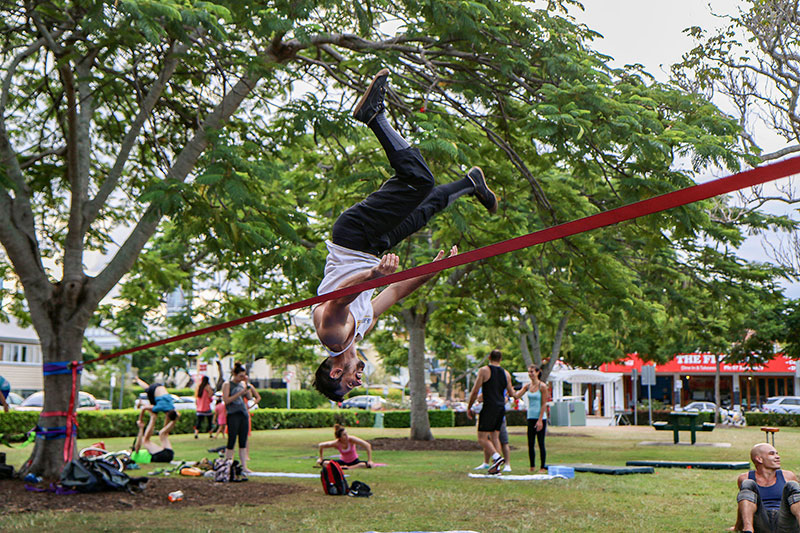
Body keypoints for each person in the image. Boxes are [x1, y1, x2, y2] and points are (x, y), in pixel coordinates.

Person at [312, 68, 497, 402]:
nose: (358, 380)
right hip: (372, 246)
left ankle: (373, 117)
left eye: (350, 384)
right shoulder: (358, 333)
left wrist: (371, 275)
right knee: (427, 206)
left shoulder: (333, 335)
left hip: (354, 237)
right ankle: (470, 184)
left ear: (336, 371)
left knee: (418, 182)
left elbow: (338, 299)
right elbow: (395, 291)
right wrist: (431, 271)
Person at [467, 349, 516, 474]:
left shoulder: (484, 371)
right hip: (501, 408)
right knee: (495, 437)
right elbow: (512, 393)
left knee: (482, 438)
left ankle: (497, 458)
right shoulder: (506, 374)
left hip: (489, 407)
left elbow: (475, 390)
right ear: (501, 359)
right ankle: (496, 468)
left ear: (489, 357)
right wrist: (524, 390)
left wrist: (469, 406)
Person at [733, 443, 800, 533]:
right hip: (761, 523)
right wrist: (737, 527)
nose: (777, 457)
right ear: (759, 459)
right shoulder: (745, 477)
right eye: (772, 454)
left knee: (792, 485)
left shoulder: (788, 476)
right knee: (748, 483)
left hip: (785, 522)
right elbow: (743, 505)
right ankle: (748, 529)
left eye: (777, 453)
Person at [514, 364, 549, 473]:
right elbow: (517, 395)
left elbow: (544, 404)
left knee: (541, 443)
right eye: (529, 372)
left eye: (532, 372)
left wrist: (540, 420)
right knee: (530, 443)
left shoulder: (542, 386)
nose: (530, 374)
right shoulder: (527, 386)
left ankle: (542, 466)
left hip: (540, 417)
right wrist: (508, 388)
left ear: (538, 372)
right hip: (531, 416)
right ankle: (532, 466)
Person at [222, 362, 256, 473]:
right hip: (233, 414)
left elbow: (249, 396)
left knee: (243, 440)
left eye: (244, 376)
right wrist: (239, 393)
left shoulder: (243, 384)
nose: (242, 378)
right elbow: (226, 400)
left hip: (243, 414)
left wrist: (247, 385)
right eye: (240, 376)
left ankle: (244, 466)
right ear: (235, 374)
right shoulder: (228, 384)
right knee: (231, 440)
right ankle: (227, 464)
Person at [474, 393, 511, 472]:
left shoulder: (499, 384)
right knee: (489, 439)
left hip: (495, 414)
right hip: (493, 412)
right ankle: (489, 463)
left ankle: (499, 461)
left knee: (499, 439)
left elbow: (506, 398)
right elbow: (479, 398)